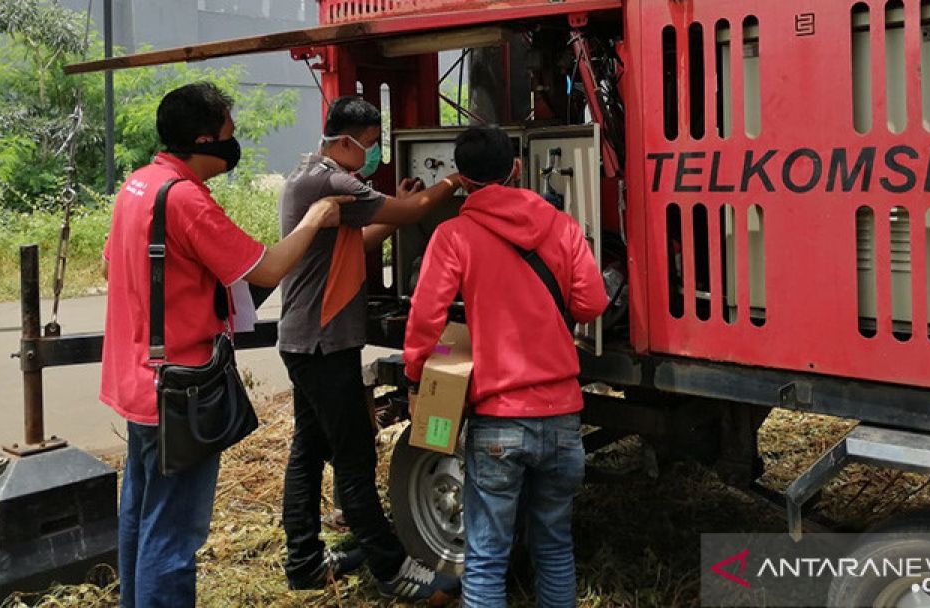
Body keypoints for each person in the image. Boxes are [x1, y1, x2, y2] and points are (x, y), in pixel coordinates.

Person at [100, 82, 351, 608]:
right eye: (228, 136)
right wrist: (314, 219)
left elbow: (110, 265)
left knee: (140, 513)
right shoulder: (185, 199)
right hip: (178, 391)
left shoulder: (139, 185)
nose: (234, 146)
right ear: (202, 139)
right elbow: (268, 267)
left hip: (136, 381)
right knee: (173, 534)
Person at [403, 125, 609, 608]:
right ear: (516, 168)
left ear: (462, 177)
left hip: (500, 420)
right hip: (562, 417)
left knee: (487, 555)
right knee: (555, 546)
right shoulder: (560, 224)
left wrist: (417, 377)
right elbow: (592, 302)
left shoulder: (453, 235)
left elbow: (426, 317)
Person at [277, 96, 462, 602]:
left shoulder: (310, 173)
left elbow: (354, 241)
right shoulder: (330, 180)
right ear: (345, 141)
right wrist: (454, 180)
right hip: (322, 342)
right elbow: (414, 208)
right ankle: (393, 568)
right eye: (372, 145)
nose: (374, 155)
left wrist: (400, 209)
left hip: (306, 340)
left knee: (310, 448)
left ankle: (305, 560)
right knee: (355, 456)